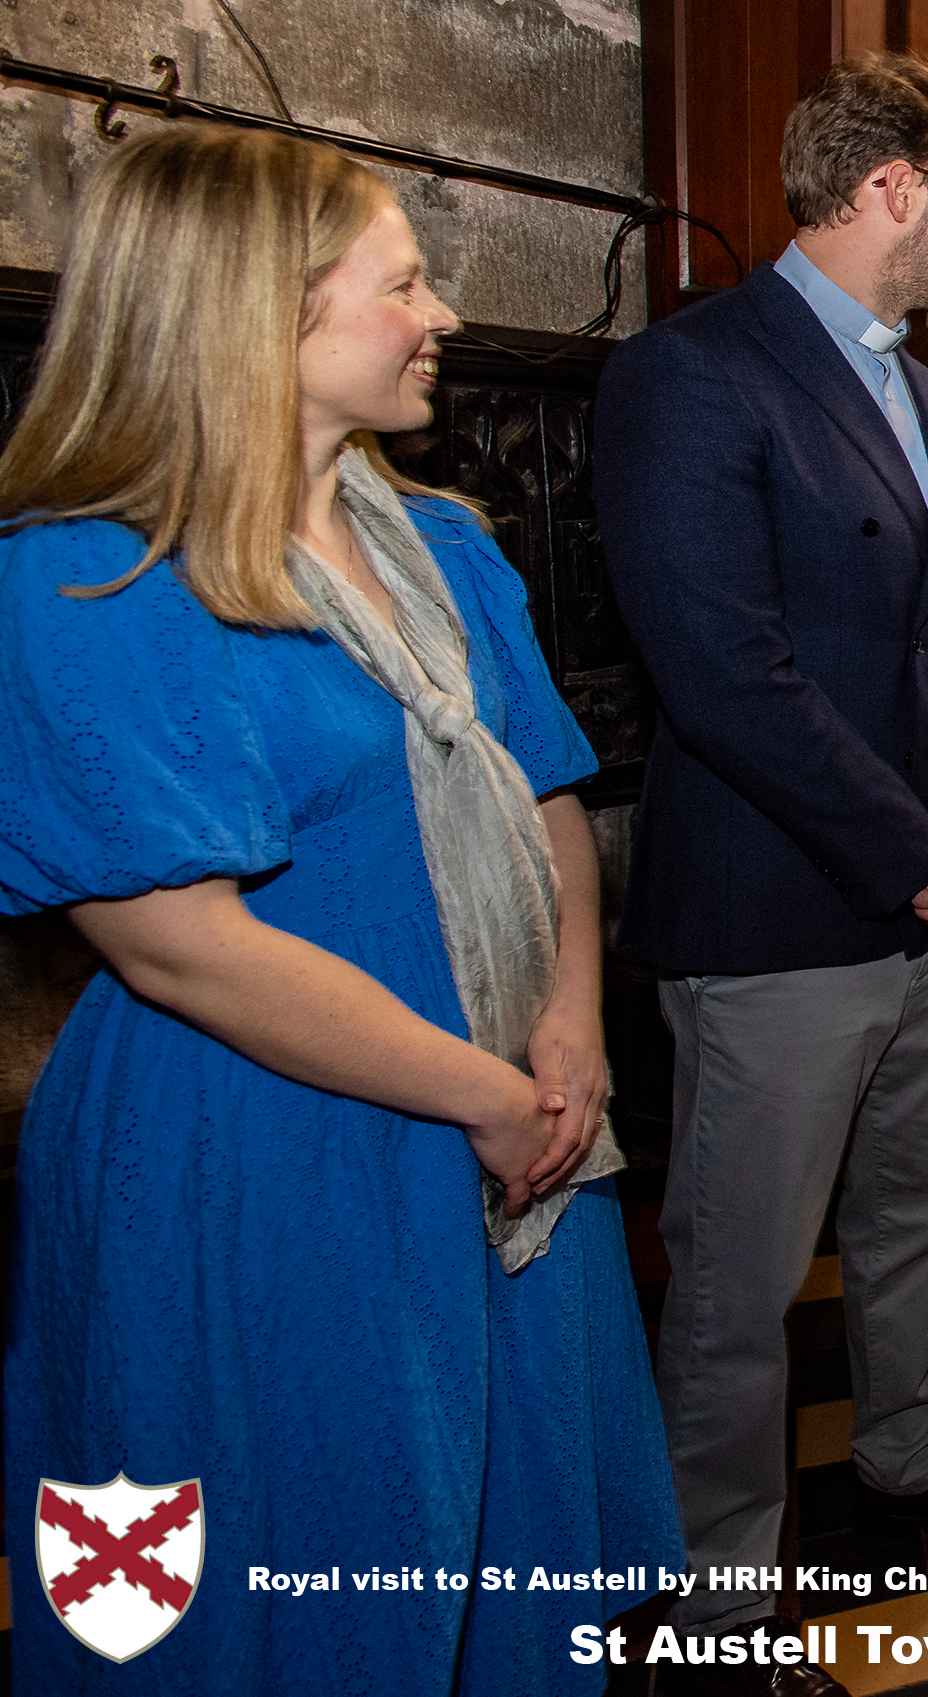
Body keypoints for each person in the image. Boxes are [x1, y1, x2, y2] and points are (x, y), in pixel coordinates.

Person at [0, 125, 681, 1692]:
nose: (441, 315)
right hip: (260, 1145)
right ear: (262, 311)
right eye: (405, 282)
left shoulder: (443, 540)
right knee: (286, 1557)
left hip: (512, 1109)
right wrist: (490, 1096)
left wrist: (567, 1027)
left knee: (502, 1537)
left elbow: (548, 803)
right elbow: (187, 948)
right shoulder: (83, 582)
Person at [593, 53, 928, 1696]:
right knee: (736, 1269)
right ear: (888, 192)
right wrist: (920, 851)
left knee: (917, 1215)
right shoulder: (694, 378)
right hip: (783, 910)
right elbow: (723, 672)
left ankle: (908, 1452)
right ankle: (719, 1590)